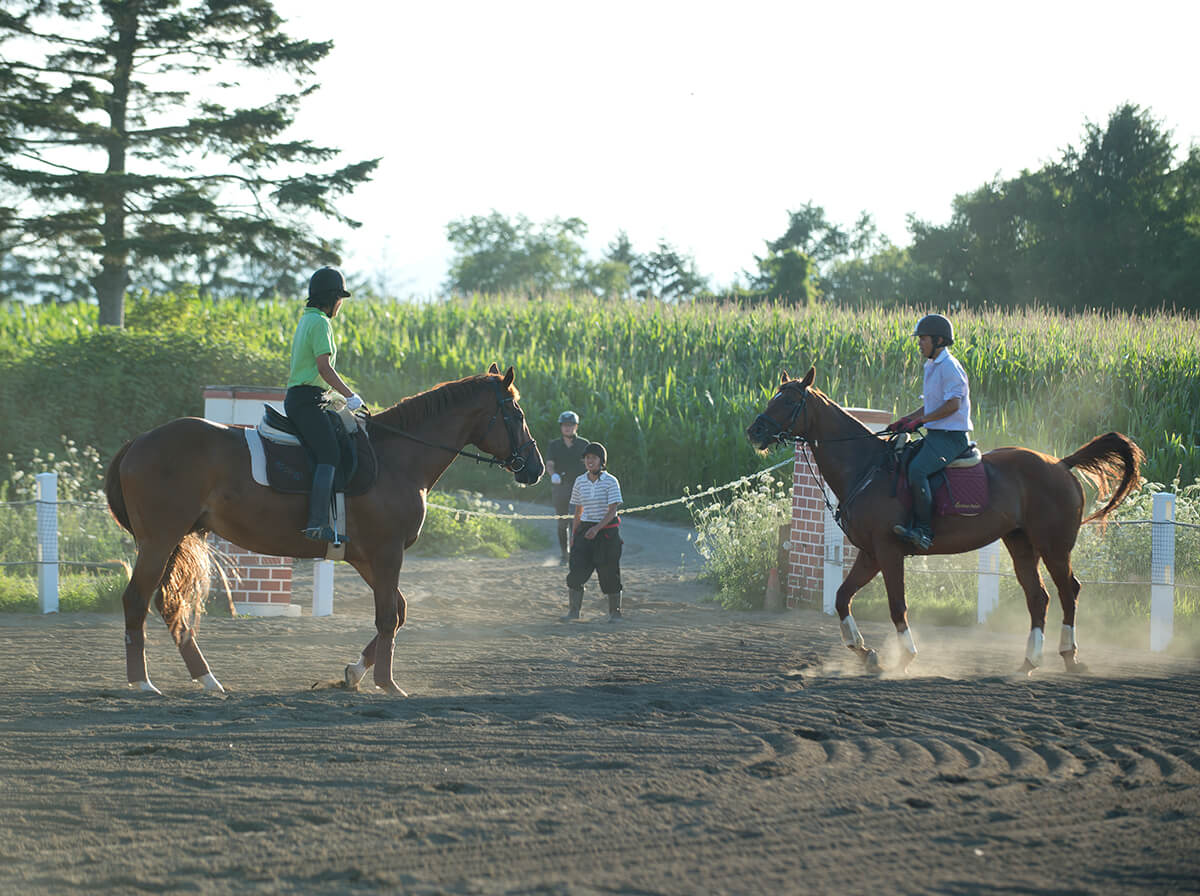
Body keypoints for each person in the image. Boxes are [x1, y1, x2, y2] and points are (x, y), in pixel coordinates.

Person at [285, 266, 365, 543]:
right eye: (340, 298)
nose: (341, 304)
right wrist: (351, 394)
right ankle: (317, 523)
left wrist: (335, 397)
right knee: (329, 454)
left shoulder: (307, 319)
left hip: (306, 398)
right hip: (307, 401)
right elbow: (324, 368)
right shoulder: (320, 323)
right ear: (332, 298)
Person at [886, 313, 973, 551]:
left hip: (951, 438)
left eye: (923, 339)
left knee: (917, 469)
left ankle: (924, 531)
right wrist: (907, 420)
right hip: (937, 435)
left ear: (938, 340)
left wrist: (921, 422)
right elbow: (932, 407)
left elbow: (953, 405)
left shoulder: (949, 367)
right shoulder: (932, 366)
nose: (919, 343)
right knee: (903, 460)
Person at [562, 442, 624, 623]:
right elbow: (578, 510)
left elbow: (612, 511)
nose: (590, 461)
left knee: (609, 573)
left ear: (601, 461)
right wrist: (574, 534)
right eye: (587, 458)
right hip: (585, 531)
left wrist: (596, 529)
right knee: (576, 572)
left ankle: (615, 612)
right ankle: (574, 611)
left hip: (606, 533)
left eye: (594, 458)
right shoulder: (580, 481)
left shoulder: (611, 482)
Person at [545, 410, 589, 564]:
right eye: (564, 425)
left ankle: (577, 553)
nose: (567, 428)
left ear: (576, 426)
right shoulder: (554, 445)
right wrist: (553, 475)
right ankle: (565, 554)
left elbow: (590, 464)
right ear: (561, 427)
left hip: (580, 489)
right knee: (562, 522)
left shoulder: (584, 444)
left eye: (570, 425)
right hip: (561, 488)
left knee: (577, 522)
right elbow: (550, 464)